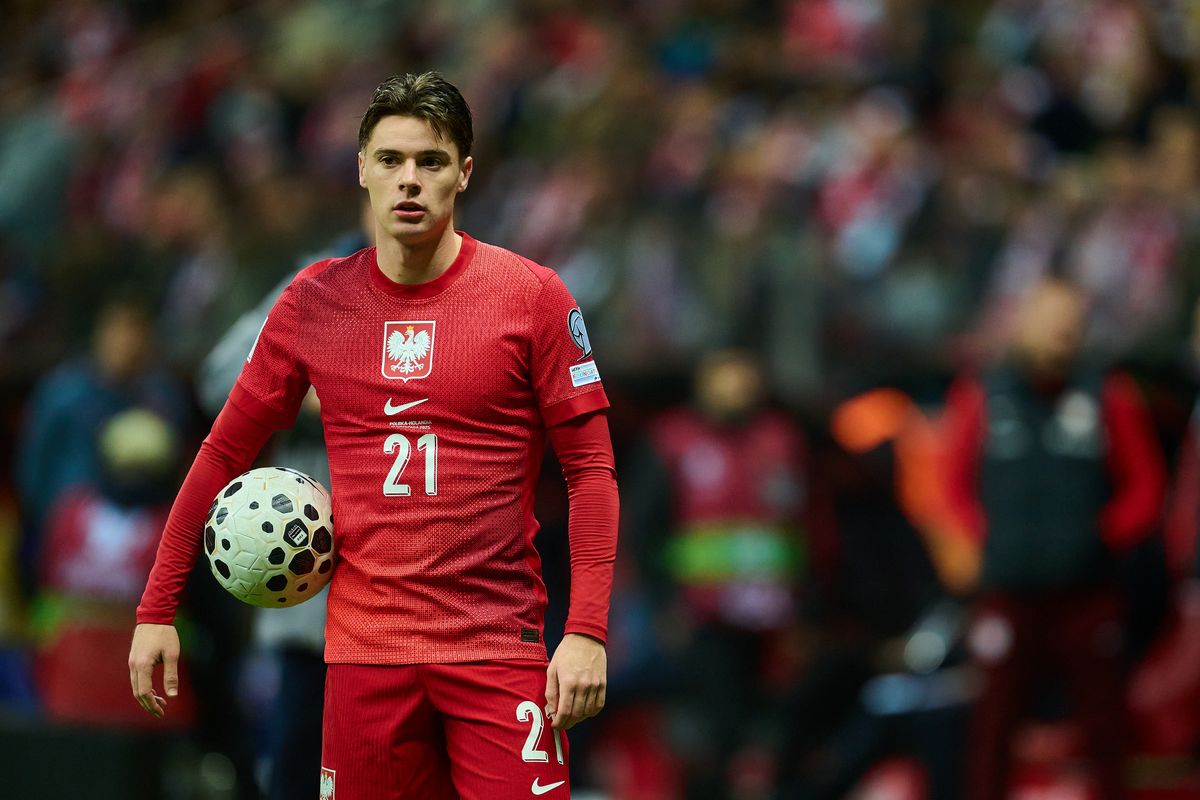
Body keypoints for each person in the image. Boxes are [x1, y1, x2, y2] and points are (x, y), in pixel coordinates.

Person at [129, 72, 619, 799]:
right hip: (365, 660)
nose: (409, 181)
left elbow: (592, 472)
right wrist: (156, 609)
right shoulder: (313, 302)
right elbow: (223, 453)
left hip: (496, 649)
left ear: (465, 173)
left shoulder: (532, 298)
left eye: (430, 161)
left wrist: (586, 631)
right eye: (390, 160)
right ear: (361, 169)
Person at [941, 276, 1166, 800]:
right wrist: (979, 539)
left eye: (1072, 324)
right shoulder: (984, 394)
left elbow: (1146, 486)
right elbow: (949, 483)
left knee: (1106, 726)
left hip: (1085, 593)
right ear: (1023, 323)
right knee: (993, 725)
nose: (1063, 334)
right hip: (1008, 591)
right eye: (1052, 321)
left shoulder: (1108, 395)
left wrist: (1100, 536)